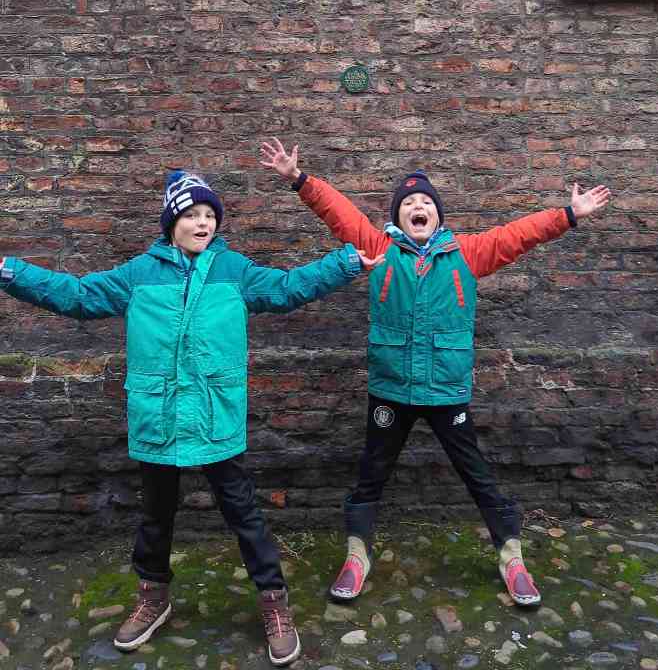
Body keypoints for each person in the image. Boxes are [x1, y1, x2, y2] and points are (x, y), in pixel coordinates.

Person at [0, 169, 382, 664]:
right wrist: (9, 270)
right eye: (192, 215)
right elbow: (76, 295)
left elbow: (288, 287)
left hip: (213, 414)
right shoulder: (139, 274)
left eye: (209, 215)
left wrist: (346, 262)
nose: (203, 223)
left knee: (243, 514)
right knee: (156, 517)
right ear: (171, 222)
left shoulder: (234, 270)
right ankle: (153, 596)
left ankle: (274, 602)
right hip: (157, 415)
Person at [260, 138, 611, 609]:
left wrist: (567, 215)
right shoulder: (379, 248)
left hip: (446, 390)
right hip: (391, 388)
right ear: (397, 216)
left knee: (476, 474)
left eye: (425, 202)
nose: (418, 207)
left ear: (438, 216)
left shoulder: (467, 253)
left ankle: (511, 554)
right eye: (408, 204)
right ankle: (356, 554)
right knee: (371, 473)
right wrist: (299, 179)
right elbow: (339, 213)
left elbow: (517, 235)